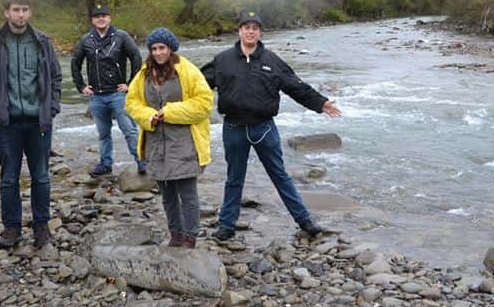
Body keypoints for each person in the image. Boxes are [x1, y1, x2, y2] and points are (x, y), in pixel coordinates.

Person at [201, 12, 342, 242]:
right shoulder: (222, 60)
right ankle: (226, 226)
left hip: (264, 128)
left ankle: (305, 221)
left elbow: (295, 86)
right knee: (234, 178)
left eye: (255, 28)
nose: (250, 31)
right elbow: (197, 82)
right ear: (239, 31)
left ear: (260, 32)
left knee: (280, 176)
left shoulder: (271, 60)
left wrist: (320, 103)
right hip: (233, 128)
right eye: (246, 27)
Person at [0, 0, 62, 250]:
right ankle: (12, 227)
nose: (21, 14)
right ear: (6, 13)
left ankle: (41, 226)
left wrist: (52, 108)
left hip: (39, 122)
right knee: (8, 178)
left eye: (25, 9)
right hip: (6, 123)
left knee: (41, 177)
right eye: (16, 10)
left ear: (30, 12)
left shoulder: (42, 41)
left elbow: (56, 77)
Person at [126, 28, 213, 248]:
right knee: (167, 195)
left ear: (171, 49)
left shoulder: (188, 70)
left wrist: (170, 112)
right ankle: (175, 234)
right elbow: (132, 103)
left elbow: (204, 103)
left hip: (184, 141)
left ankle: (190, 237)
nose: (158, 53)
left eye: (162, 48)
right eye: (154, 49)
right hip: (156, 143)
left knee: (188, 194)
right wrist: (148, 116)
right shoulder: (143, 74)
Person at [70, 3, 145, 177]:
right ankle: (105, 164)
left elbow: (136, 58)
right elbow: (75, 63)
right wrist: (81, 86)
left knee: (129, 130)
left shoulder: (122, 36)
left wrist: (130, 84)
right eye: (97, 16)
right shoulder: (86, 40)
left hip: (118, 94)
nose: (101, 19)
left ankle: (142, 161)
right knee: (103, 134)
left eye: (104, 16)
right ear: (92, 20)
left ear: (109, 18)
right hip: (97, 96)